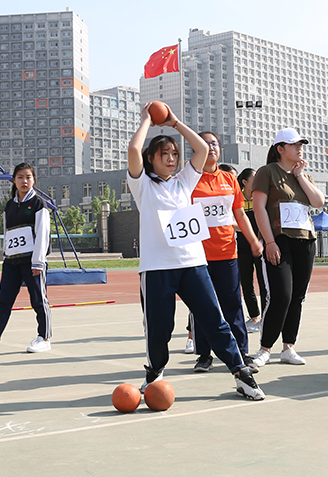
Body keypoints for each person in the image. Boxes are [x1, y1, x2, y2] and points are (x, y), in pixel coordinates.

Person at [126, 103, 264, 400]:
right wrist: (148, 122)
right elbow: (133, 152)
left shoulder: (184, 183)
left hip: (192, 264)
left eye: (175, 154)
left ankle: (240, 372)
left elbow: (200, 149)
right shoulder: (143, 187)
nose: (172, 159)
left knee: (215, 319)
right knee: (159, 328)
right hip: (156, 267)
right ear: (151, 159)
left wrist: (175, 122)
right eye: (165, 154)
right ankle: (155, 372)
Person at [189, 132, 264, 373]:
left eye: (215, 144)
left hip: (226, 253)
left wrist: (253, 240)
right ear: (195, 147)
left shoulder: (229, 180)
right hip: (197, 255)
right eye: (205, 143)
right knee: (202, 305)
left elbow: (239, 214)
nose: (211, 147)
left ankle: (241, 352)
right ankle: (203, 355)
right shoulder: (189, 179)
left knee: (232, 304)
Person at [251, 128, 325, 368]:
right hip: (280, 241)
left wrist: (301, 176)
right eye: (294, 145)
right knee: (281, 295)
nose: (299, 148)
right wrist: (269, 241)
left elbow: (318, 202)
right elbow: (259, 208)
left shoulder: (302, 174)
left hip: (306, 240)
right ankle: (264, 349)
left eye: (301, 144)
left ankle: (289, 347)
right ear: (280, 149)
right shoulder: (267, 172)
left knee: (297, 297)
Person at [0, 162, 52, 355]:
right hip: (11, 261)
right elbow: (7, 232)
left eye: (28, 177)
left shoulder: (39, 204)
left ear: (33, 180)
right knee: (4, 300)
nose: (24, 181)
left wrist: (38, 261)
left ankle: (44, 338)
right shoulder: (9, 205)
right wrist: (6, 254)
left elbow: (43, 234)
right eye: (20, 177)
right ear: (14, 180)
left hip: (32, 261)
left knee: (38, 300)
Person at [237, 167, 266, 333]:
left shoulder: (260, 197)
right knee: (246, 283)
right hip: (242, 247)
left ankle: (264, 317)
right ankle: (254, 317)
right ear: (245, 182)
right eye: (254, 178)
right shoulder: (237, 198)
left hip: (260, 246)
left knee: (264, 283)